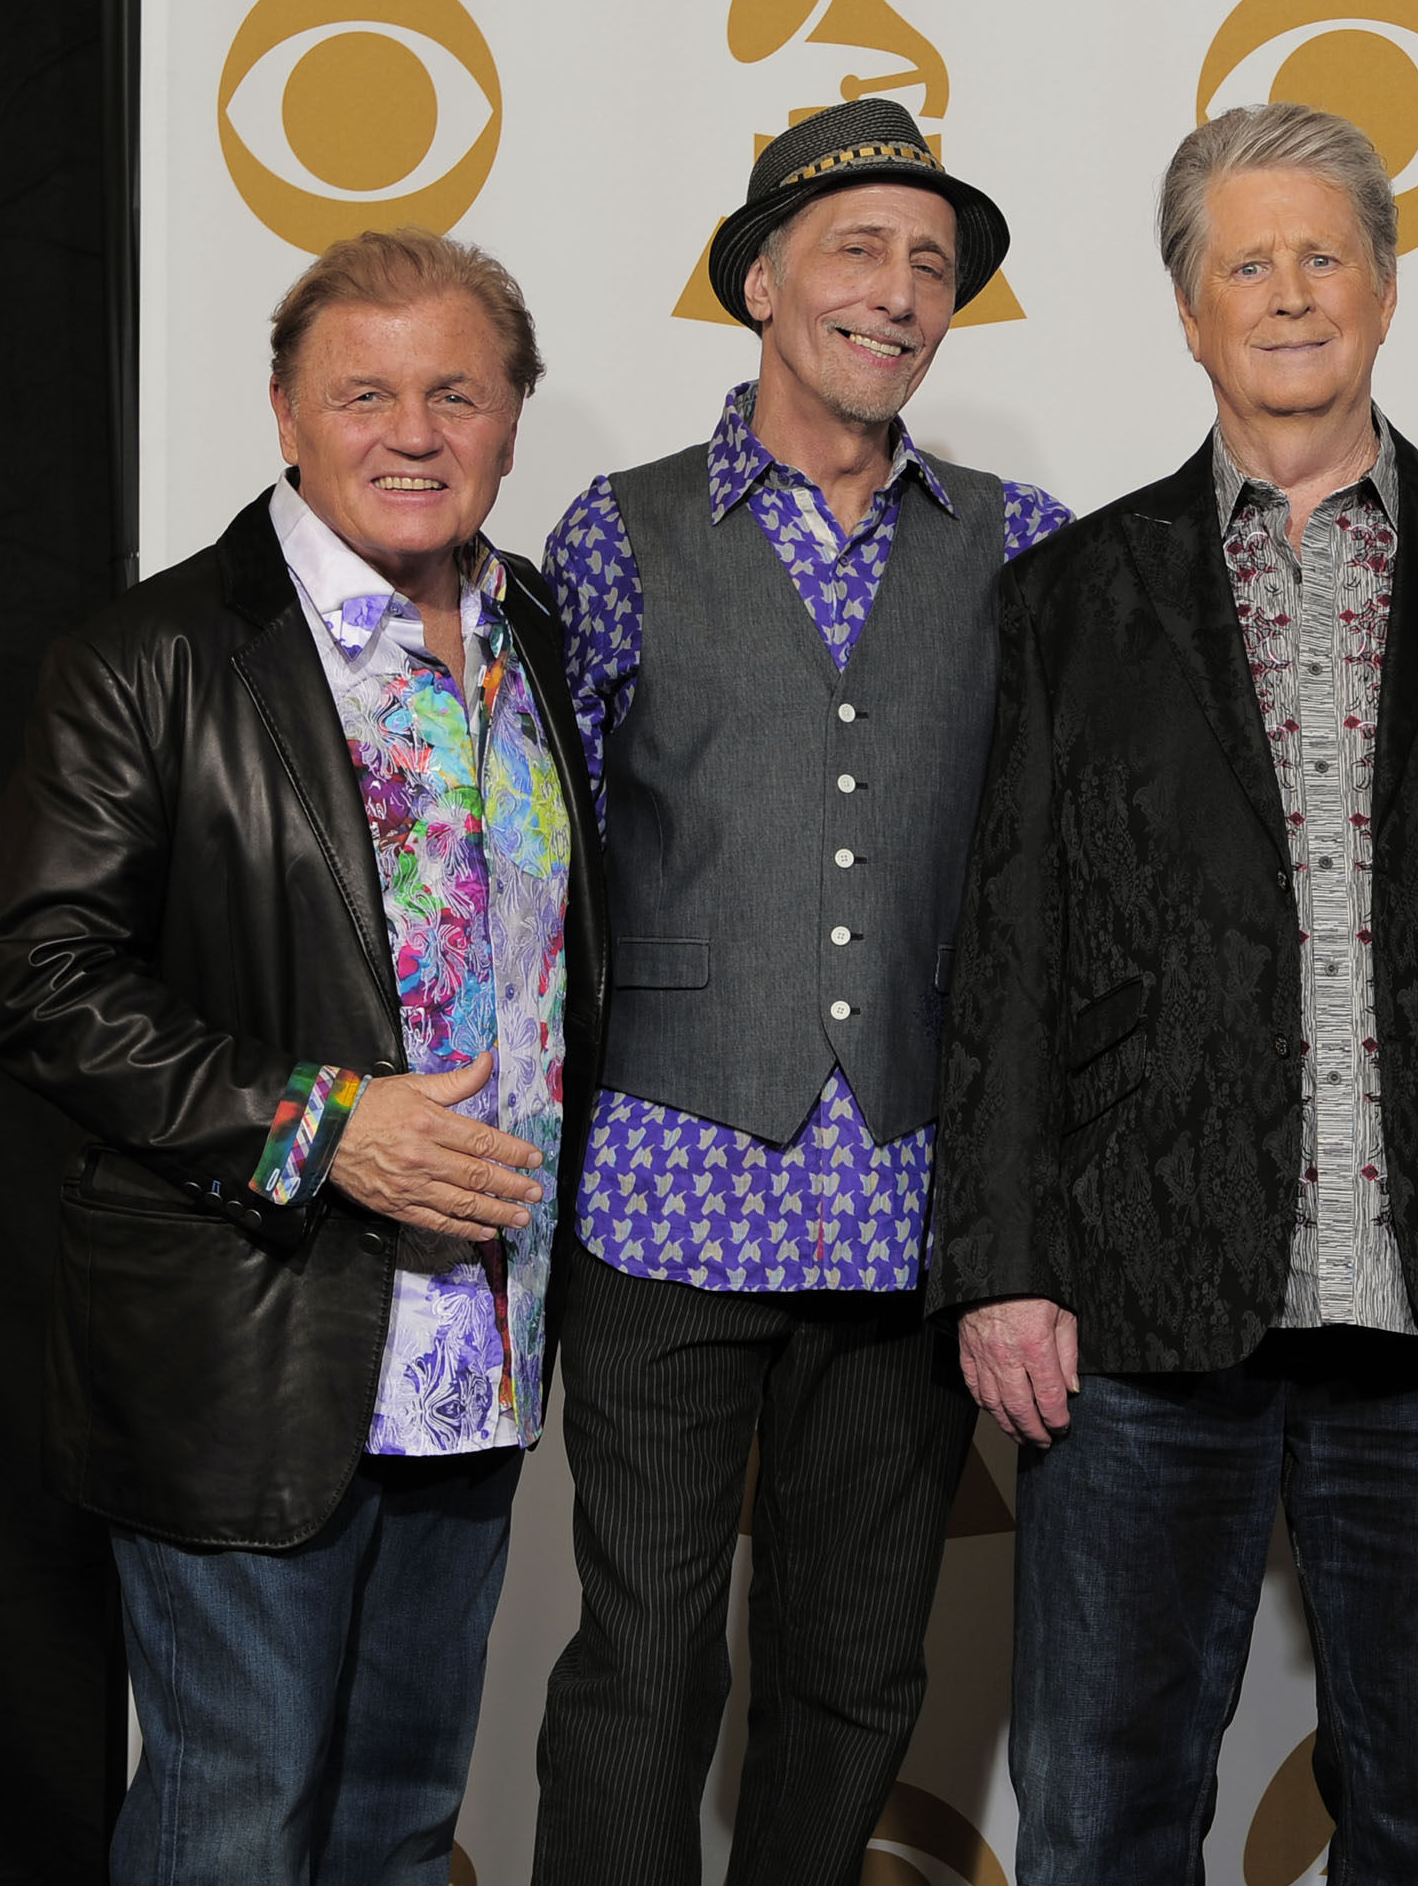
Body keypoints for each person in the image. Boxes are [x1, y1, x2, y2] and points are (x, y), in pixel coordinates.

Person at [929, 103, 1418, 1884]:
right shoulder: (1071, 600)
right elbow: (1008, 946)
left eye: (1324, 253)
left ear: (1388, 291)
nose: (1290, 293)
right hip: (1141, 1286)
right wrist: (1004, 1261)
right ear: (1188, 314)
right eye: (1244, 263)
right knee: (1102, 1807)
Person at [0, 228, 603, 1885]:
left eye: (455, 391)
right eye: (366, 392)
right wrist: (321, 1127)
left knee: (398, 1828)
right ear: (284, 416)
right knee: (234, 1824)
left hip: (480, 1346)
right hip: (249, 1350)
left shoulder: (537, 631)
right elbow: (37, 978)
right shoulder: (154, 659)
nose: (414, 430)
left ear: (514, 418)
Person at [527, 96, 1067, 1883]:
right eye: (859, 249)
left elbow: (1051, 881)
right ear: (759, 282)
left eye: (934, 266)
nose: (901, 292)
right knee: (646, 1662)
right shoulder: (612, 537)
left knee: (853, 1673)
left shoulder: (1022, 540)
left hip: (905, 1213)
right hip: (662, 1191)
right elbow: (554, 861)